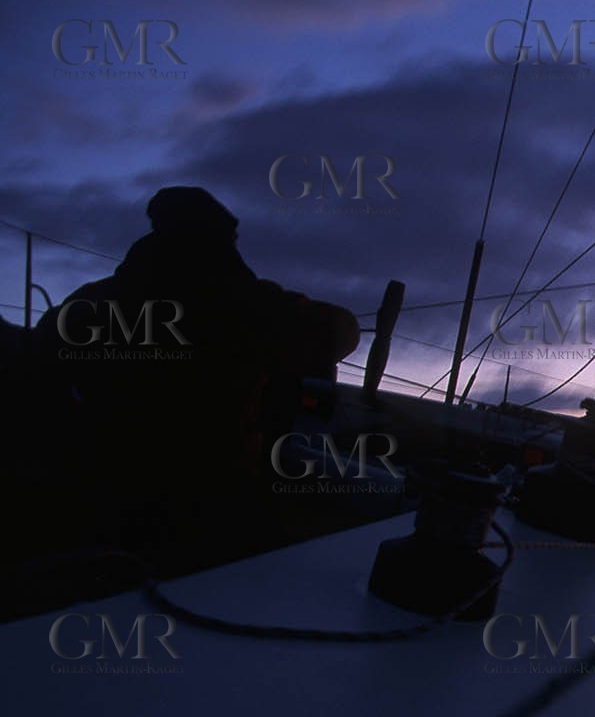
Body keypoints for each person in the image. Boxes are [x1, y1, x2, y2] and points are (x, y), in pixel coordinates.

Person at [22, 186, 360, 564]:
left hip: (100, 503)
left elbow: (40, 364)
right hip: (215, 510)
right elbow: (342, 331)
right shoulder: (258, 308)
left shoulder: (92, 302)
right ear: (223, 241)